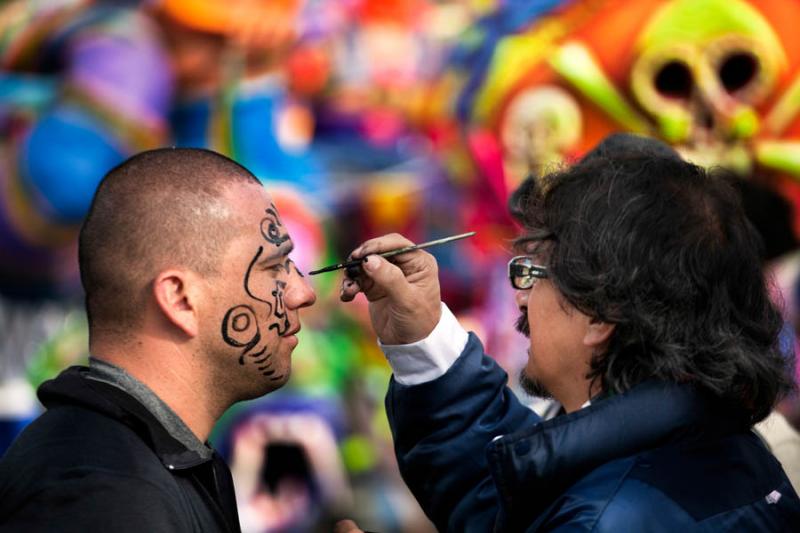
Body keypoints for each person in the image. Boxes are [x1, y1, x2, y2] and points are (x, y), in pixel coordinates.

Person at [336, 134, 800, 531]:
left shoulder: (604, 517)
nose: (520, 297)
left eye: (536, 274)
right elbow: (505, 496)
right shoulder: (717, 444)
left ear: (601, 313)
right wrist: (423, 335)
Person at [0, 148, 316, 531]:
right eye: (274, 267)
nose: (303, 292)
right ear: (180, 299)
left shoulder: (146, 462)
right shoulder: (104, 495)